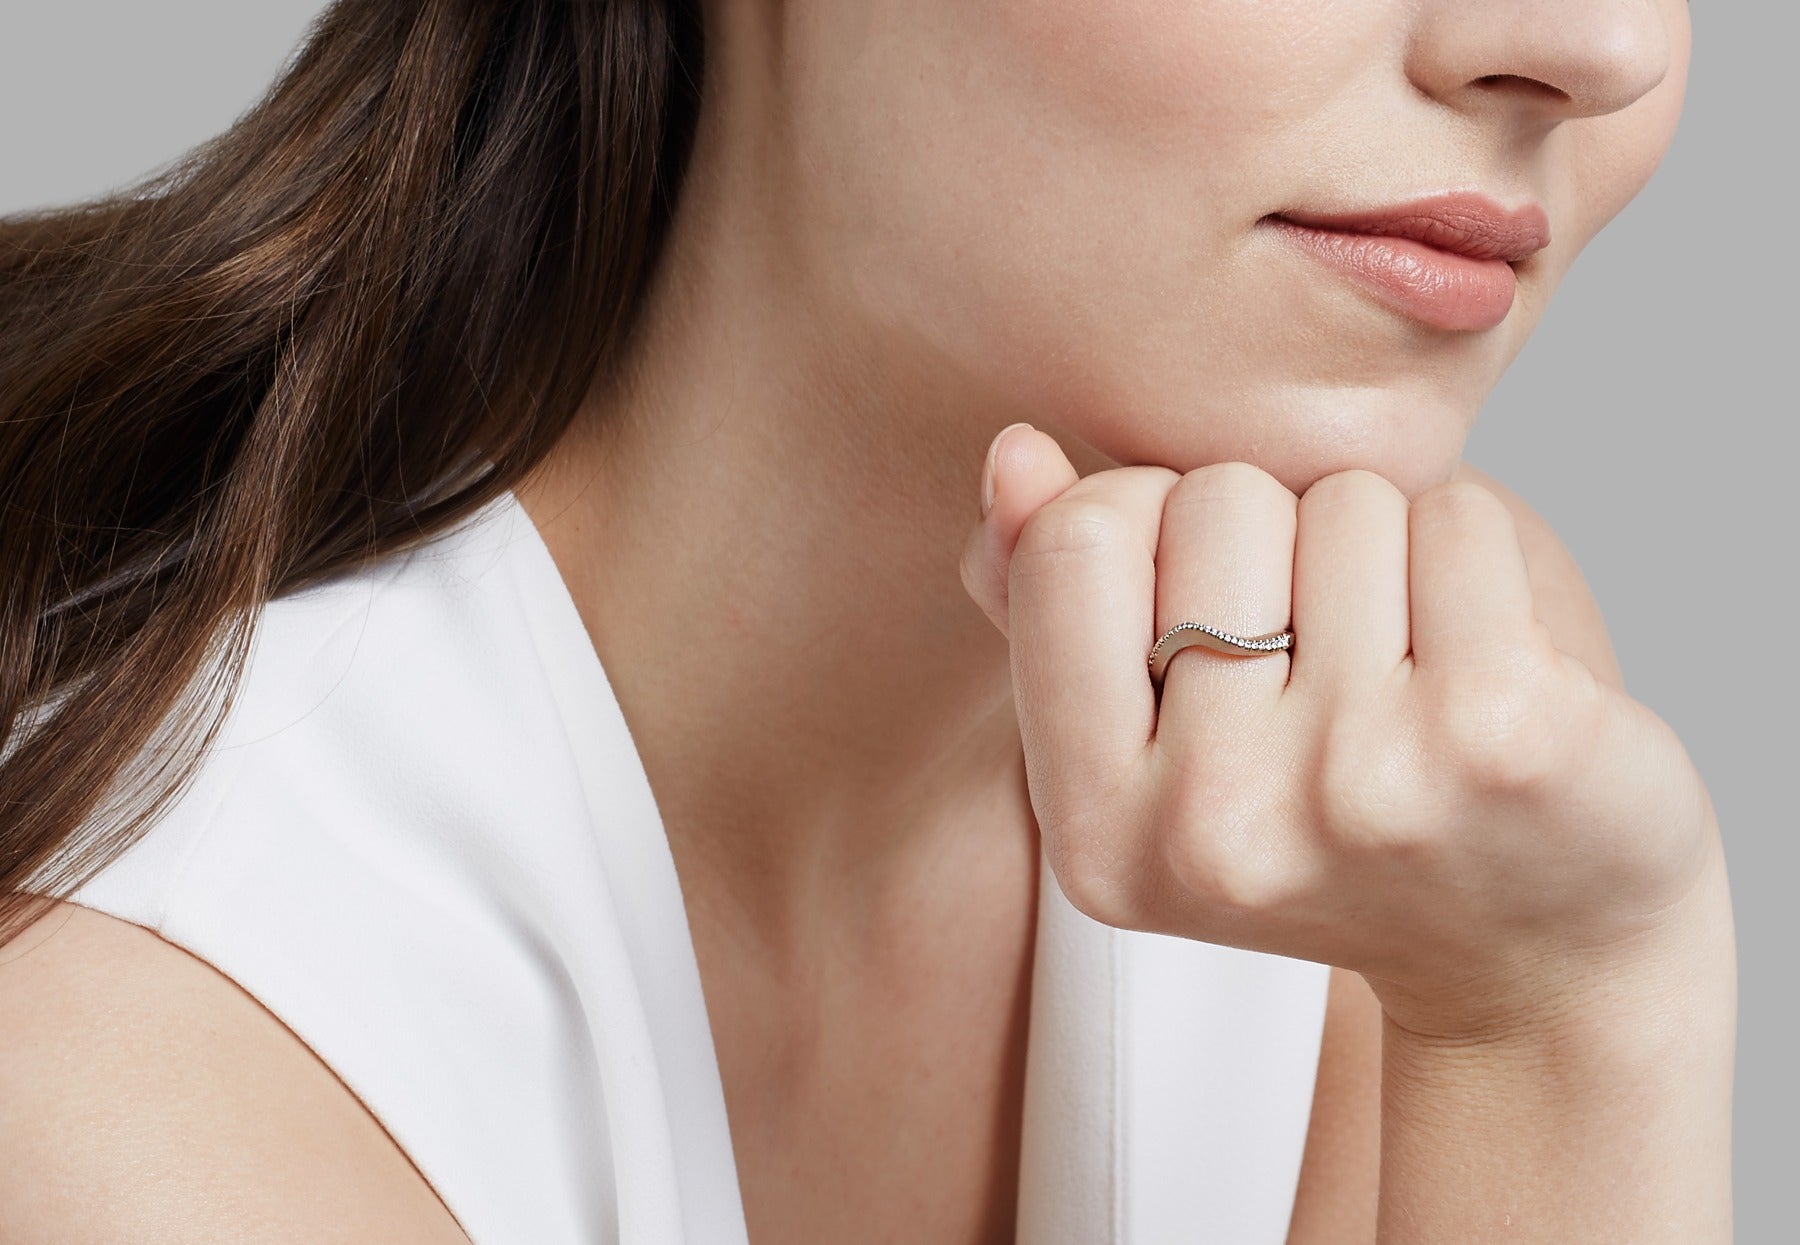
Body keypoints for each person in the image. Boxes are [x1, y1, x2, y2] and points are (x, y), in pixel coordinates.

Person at [0, 1, 1734, 1242]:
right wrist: (1557, 1050)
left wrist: (1549, 1010)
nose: (1596, 46)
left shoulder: (1420, 766)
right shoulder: (114, 1075)